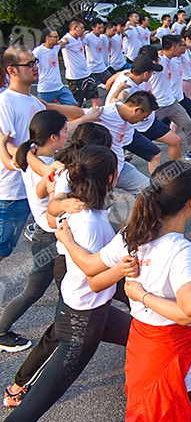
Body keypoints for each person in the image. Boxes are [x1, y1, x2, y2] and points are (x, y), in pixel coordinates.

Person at [56, 162, 191, 421]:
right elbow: (188, 311)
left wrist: (68, 241)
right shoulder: (182, 251)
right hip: (174, 349)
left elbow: (92, 276)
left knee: (189, 396)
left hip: (144, 346)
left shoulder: (131, 234)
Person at [5, 145, 137, 422]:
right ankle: (18, 391)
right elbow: (93, 281)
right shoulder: (88, 222)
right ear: (111, 178)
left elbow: (56, 210)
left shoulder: (83, 207)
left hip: (94, 312)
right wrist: (123, 268)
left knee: (147, 337)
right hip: (82, 321)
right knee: (36, 404)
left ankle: (185, 381)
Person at [0, 46, 99, 267]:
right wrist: (42, 168)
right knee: (4, 247)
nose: (36, 67)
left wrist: (86, 117)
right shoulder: (5, 102)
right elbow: (9, 149)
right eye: (29, 64)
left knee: (45, 235)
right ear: (12, 70)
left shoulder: (34, 102)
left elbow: (69, 118)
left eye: (35, 62)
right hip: (13, 189)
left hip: (35, 185)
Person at [0, 111, 67, 351]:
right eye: (65, 131)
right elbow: (43, 188)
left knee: (63, 287)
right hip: (49, 237)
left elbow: (10, 156)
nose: (67, 134)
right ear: (53, 137)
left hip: (46, 233)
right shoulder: (46, 166)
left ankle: (65, 332)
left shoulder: (28, 155)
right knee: (35, 290)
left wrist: (3, 143)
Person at [149, 35, 191, 163]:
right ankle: (128, 154)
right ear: (173, 48)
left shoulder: (172, 59)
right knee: (142, 130)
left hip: (172, 103)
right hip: (158, 105)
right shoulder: (159, 61)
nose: (185, 48)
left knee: (189, 125)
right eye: (182, 45)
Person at [59, 20, 102, 107]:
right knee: (77, 103)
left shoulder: (78, 38)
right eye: (81, 28)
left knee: (95, 97)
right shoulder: (67, 39)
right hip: (75, 77)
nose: (83, 30)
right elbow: (60, 44)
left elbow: (82, 37)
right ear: (75, 28)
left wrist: (85, 33)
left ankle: (100, 117)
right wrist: (59, 44)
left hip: (87, 73)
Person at [32, 29, 79, 105]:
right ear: (48, 38)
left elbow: (63, 42)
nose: (57, 39)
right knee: (41, 111)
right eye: (55, 37)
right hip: (46, 89)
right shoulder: (38, 51)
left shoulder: (55, 47)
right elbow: (29, 61)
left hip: (59, 87)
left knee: (74, 106)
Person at [84, 18, 112, 86]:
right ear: (93, 28)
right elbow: (80, 44)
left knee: (112, 83)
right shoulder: (88, 37)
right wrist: (82, 35)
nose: (101, 30)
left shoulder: (102, 37)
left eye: (102, 27)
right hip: (93, 69)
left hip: (102, 67)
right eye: (99, 28)